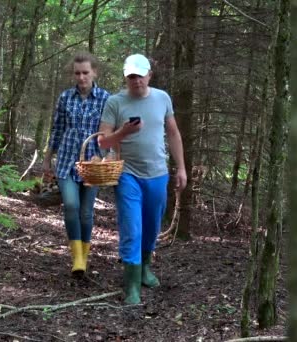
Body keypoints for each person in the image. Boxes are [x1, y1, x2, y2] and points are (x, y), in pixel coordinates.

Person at [98, 54, 187, 304]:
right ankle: (132, 286)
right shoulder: (115, 103)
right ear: (126, 78)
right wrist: (124, 131)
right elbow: (102, 141)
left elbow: (173, 132)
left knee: (151, 226)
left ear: (149, 75)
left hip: (158, 174)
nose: (136, 81)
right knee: (132, 228)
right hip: (127, 174)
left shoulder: (162, 98)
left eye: (140, 75)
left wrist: (181, 168)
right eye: (131, 76)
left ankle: (145, 266)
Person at [43, 52, 110, 276]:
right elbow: (57, 129)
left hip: (93, 163)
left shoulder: (105, 98)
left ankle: (85, 254)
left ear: (94, 72)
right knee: (71, 206)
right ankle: (77, 258)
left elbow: (108, 132)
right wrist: (47, 158)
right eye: (77, 73)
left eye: (85, 73)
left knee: (86, 212)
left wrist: (105, 155)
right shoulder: (65, 98)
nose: (81, 77)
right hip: (66, 161)